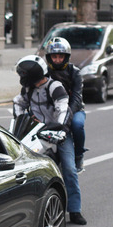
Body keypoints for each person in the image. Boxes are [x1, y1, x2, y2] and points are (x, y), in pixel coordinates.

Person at [13, 55, 87, 225]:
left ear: (33, 73)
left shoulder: (55, 87)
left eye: (23, 74)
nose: (22, 78)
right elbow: (18, 103)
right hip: (35, 133)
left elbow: (63, 109)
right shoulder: (28, 89)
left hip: (58, 134)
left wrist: (58, 127)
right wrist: (19, 120)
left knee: (69, 168)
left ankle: (75, 210)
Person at [45, 37, 87, 173]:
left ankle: (79, 154)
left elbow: (76, 99)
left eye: (60, 56)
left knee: (77, 124)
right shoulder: (44, 72)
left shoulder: (75, 73)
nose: (57, 60)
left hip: (74, 109)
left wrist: (66, 116)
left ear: (66, 57)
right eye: (54, 56)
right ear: (49, 57)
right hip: (51, 110)